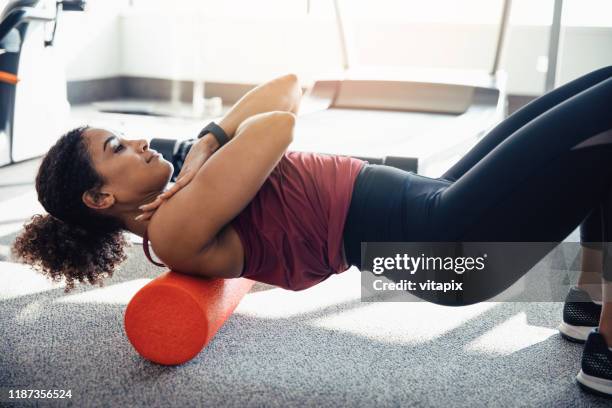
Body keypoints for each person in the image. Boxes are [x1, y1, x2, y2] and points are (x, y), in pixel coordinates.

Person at [11, 68, 612, 395]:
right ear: (101, 196)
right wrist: (206, 147)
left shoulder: (178, 185)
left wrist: (205, 142)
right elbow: (275, 125)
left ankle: (588, 308)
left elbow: (288, 83)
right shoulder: (174, 225)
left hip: (433, 206)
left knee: (597, 95)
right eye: (118, 146)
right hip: (448, 244)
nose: (140, 141)